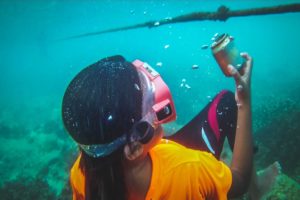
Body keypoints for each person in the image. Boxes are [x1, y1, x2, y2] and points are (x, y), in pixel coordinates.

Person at [61, 53, 273, 200]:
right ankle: (258, 189)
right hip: (175, 173)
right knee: (227, 102)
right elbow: (239, 181)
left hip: (142, 169)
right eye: (149, 100)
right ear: (134, 148)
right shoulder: (193, 170)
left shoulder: (83, 173)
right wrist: (244, 100)